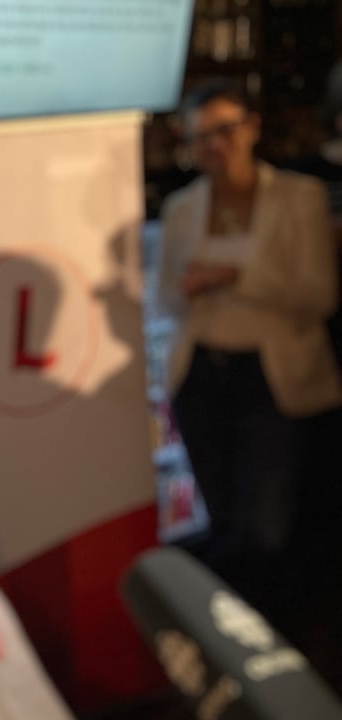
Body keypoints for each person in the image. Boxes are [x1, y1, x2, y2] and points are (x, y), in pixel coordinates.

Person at [157, 79, 342, 623]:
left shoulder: (300, 196)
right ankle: (241, 631)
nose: (214, 145)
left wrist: (235, 277)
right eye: (201, 136)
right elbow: (166, 299)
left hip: (270, 378)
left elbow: (318, 296)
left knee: (264, 531)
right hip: (200, 377)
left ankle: (245, 627)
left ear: (252, 128)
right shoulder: (181, 207)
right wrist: (192, 286)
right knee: (223, 520)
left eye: (225, 130)